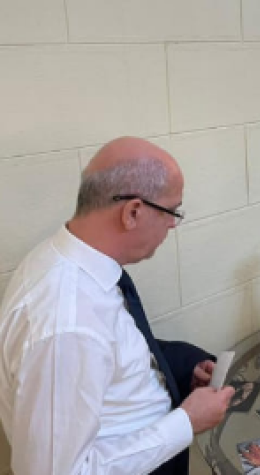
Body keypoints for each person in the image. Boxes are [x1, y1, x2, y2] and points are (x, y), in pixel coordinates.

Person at [0, 137, 234, 475]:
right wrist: (186, 422)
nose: (173, 224)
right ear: (133, 212)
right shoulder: (67, 323)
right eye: (172, 211)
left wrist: (177, 374)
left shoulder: (69, 259)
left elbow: (113, 355)